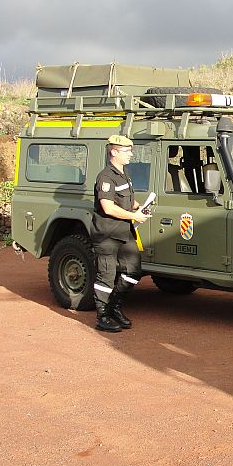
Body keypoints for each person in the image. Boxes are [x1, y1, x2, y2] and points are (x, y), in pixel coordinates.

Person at [91, 135, 149, 332]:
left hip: (125, 232)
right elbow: (108, 208)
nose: (131, 154)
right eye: (127, 151)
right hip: (107, 234)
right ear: (114, 152)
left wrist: (140, 207)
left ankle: (114, 306)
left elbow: (126, 200)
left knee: (133, 271)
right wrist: (134, 216)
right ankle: (102, 316)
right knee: (106, 276)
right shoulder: (105, 177)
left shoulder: (124, 173)